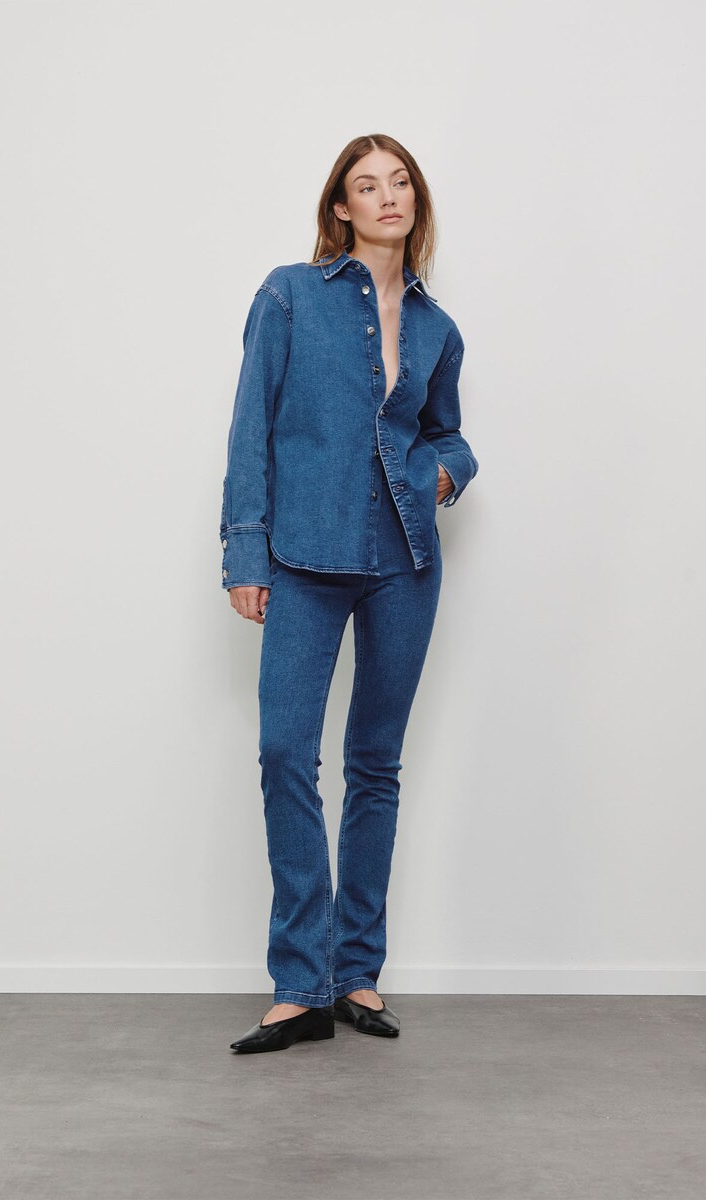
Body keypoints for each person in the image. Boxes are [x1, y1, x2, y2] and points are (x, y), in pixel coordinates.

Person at [221, 133, 479, 1053]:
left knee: (375, 764)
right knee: (285, 753)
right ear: (341, 207)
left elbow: (449, 435)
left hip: (404, 560)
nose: (387, 196)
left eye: (400, 182)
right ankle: (301, 983)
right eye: (367, 186)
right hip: (300, 556)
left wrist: (445, 473)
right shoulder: (289, 294)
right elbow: (251, 424)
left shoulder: (438, 327)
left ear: (416, 201)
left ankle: (356, 975)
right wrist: (245, 553)